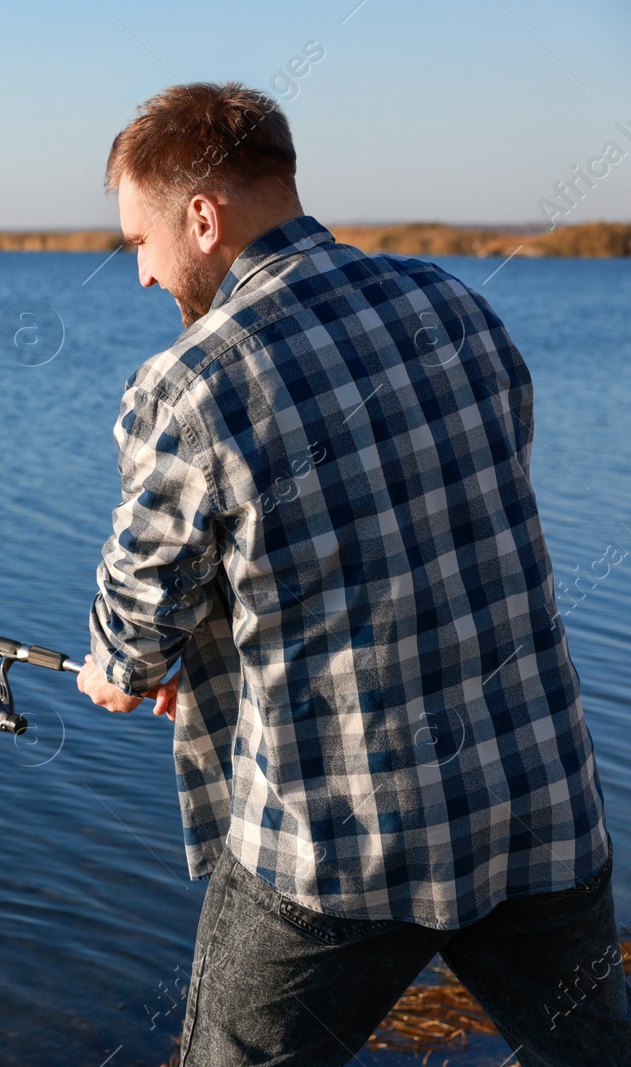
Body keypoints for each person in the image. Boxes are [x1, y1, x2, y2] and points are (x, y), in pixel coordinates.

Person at [74, 81, 630, 1066]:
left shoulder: (189, 383)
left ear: (201, 217)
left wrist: (115, 672)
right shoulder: (454, 305)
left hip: (334, 848)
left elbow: (135, 632)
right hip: (536, 805)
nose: (143, 277)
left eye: (140, 243)